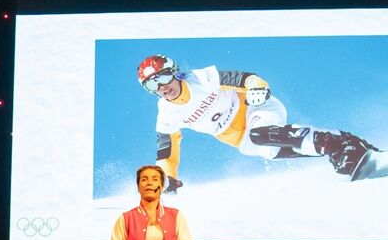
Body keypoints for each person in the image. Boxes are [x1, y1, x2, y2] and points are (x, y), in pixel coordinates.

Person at [136, 54, 388, 193]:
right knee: (269, 150)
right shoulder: (166, 113)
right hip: (241, 139)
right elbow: (167, 152)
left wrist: (256, 86)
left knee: (259, 134)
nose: (162, 87)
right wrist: (167, 178)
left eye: (163, 77)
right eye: (151, 85)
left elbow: (239, 77)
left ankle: (340, 145)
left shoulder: (199, 79)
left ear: (175, 72)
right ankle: (345, 146)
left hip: (256, 108)